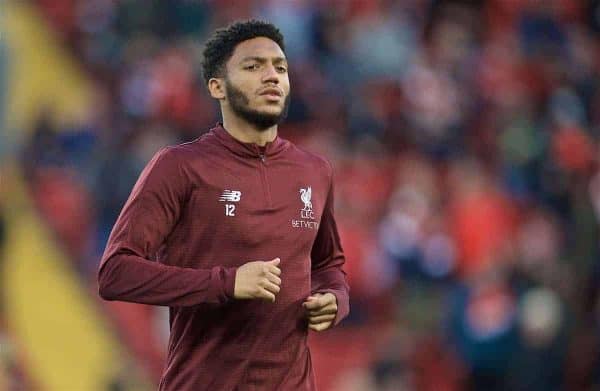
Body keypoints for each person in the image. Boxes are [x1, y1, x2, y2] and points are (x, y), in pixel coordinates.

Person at [97, 20, 349, 391]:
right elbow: (115, 273)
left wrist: (334, 299)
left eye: (280, 68)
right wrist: (226, 283)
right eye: (253, 67)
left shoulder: (315, 171)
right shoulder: (180, 167)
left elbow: (329, 264)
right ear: (218, 87)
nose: (272, 77)